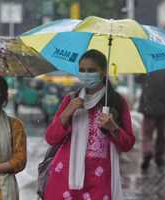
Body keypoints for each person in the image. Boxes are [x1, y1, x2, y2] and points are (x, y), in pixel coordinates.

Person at [43, 49, 135, 200]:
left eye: (91, 70)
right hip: (66, 178)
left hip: (100, 180)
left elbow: (127, 144)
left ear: (104, 71)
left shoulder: (117, 102)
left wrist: (113, 128)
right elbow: (51, 138)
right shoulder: (71, 100)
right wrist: (68, 112)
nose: (86, 74)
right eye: (82, 70)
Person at [137, 69, 165, 171]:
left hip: (148, 108)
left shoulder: (146, 69)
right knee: (161, 136)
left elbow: (137, 79)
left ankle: (147, 152)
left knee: (147, 134)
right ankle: (159, 157)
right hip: (163, 109)